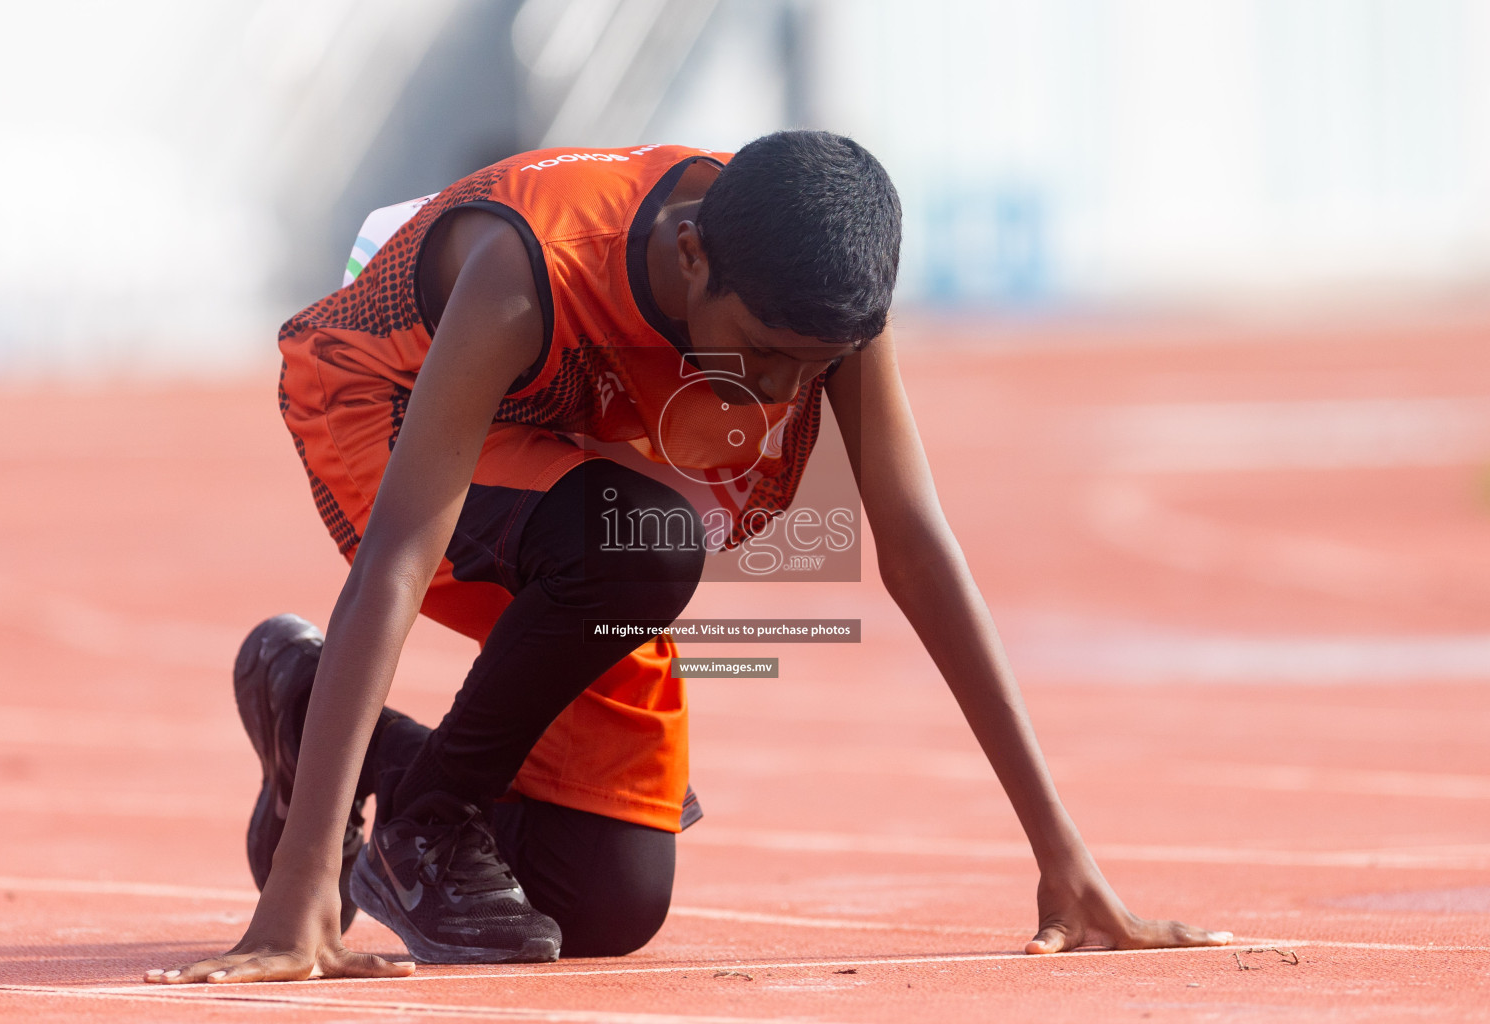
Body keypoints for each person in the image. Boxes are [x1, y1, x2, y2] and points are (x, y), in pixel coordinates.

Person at [146, 131, 1230, 985]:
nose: (781, 393)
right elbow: (398, 547)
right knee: (647, 544)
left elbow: (912, 542)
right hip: (376, 420)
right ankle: (422, 823)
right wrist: (296, 897)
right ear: (689, 252)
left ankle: (313, 716)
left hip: (582, 469)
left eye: (816, 369)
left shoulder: (824, 297)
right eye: (760, 355)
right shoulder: (529, 268)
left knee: (609, 897)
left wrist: (1063, 856)